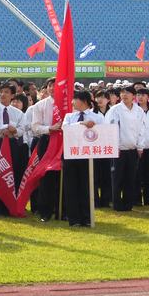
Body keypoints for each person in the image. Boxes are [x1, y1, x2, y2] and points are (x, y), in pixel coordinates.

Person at [61, 91, 104, 227]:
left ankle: (87, 217)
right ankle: (74, 218)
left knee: (87, 187)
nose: (72, 102)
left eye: (75, 99)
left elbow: (104, 132)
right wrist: (81, 124)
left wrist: (93, 125)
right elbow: (65, 128)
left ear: (84, 101)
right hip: (71, 154)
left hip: (88, 157)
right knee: (71, 186)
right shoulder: (69, 116)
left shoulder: (97, 117)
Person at [0, 84, 25, 217]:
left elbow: (21, 130)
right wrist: (6, 127)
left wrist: (14, 130)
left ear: (12, 95)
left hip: (12, 144)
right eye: (1, 92)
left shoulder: (18, 113)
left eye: (6, 92)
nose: (3, 94)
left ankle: (9, 206)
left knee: (11, 174)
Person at [105, 86, 145, 212]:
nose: (124, 95)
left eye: (127, 93)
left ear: (133, 96)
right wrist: (114, 146)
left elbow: (142, 130)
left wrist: (140, 146)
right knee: (117, 178)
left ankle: (128, 204)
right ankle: (117, 204)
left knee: (130, 178)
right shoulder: (115, 110)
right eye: (122, 93)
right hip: (119, 150)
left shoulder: (138, 111)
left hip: (132, 149)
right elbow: (110, 128)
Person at [31, 79, 61, 221]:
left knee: (63, 177)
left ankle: (62, 210)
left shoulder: (68, 104)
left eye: (55, 85)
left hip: (64, 142)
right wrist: (50, 129)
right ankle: (45, 211)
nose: (52, 88)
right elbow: (35, 127)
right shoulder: (40, 105)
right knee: (46, 177)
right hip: (47, 141)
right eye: (50, 86)